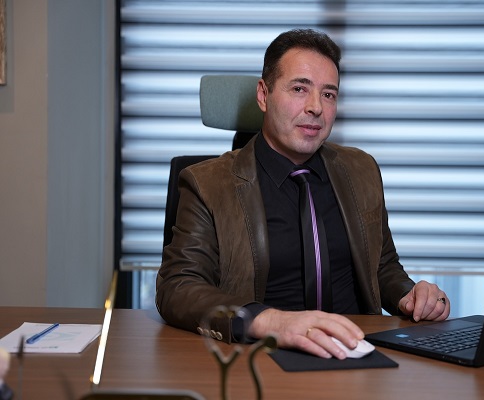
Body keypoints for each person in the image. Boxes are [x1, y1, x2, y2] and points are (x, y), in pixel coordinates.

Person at [156, 28, 450, 360]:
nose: (315, 107)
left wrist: (411, 295)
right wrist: (269, 321)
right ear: (263, 95)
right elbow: (177, 287)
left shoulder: (362, 169)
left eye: (329, 94)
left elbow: (382, 266)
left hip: (356, 350)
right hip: (263, 356)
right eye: (299, 89)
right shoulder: (207, 183)